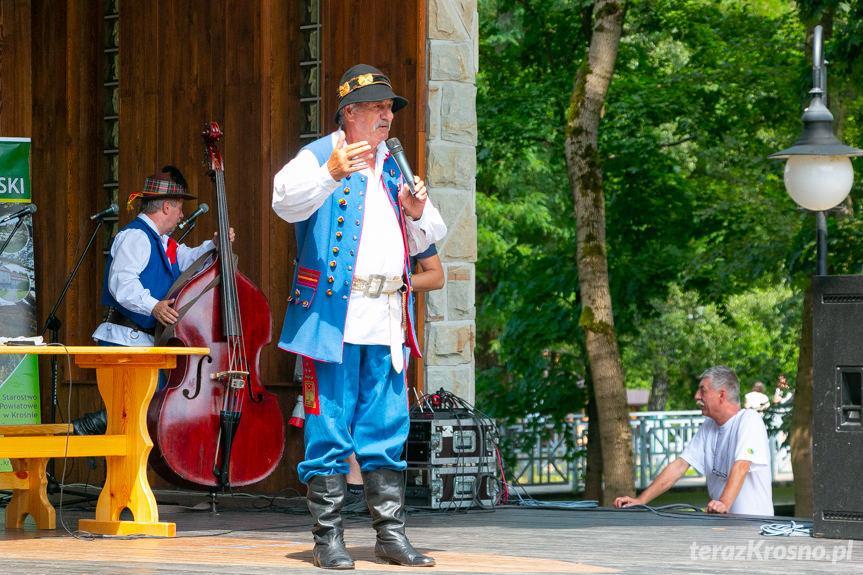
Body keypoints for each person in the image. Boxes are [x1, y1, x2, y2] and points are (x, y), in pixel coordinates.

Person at [272, 63, 446, 569]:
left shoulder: (395, 167)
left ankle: (390, 537)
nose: (387, 116)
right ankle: (328, 540)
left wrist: (416, 209)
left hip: (387, 315)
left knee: (387, 427)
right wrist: (330, 172)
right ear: (349, 113)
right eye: (376, 107)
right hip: (333, 318)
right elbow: (284, 201)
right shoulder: (319, 155)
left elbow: (431, 231)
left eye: (389, 107)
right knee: (328, 427)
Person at [73, 166, 231, 436]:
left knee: (142, 410)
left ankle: (93, 431)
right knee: (138, 409)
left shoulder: (162, 241)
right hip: (125, 340)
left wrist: (214, 245)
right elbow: (122, 284)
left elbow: (188, 260)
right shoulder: (135, 236)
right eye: (180, 207)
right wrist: (154, 306)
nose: (182, 214)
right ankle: (87, 427)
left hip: (141, 342)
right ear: (167, 207)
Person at [343, 244, 444, 511]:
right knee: (344, 404)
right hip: (347, 320)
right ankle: (352, 487)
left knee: (381, 409)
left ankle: (375, 495)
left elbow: (436, 275)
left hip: (389, 325)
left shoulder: (408, 222)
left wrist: (399, 284)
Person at [614, 366, 774, 516]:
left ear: (722, 395)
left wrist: (723, 504)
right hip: (724, 527)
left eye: (702, 391)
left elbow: (742, 465)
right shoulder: (708, 426)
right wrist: (640, 501)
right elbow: (680, 465)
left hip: (754, 528)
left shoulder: (749, 419)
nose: (696, 396)